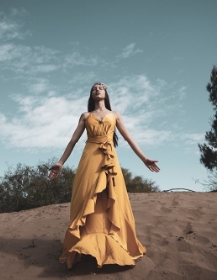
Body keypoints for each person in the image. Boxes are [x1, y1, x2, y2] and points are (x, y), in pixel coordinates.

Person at [49, 82, 160, 269]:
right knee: (87, 196)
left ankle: (114, 241)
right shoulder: (86, 116)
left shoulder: (115, 115)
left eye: (101, 87)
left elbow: (128, 138)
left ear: (106, 93)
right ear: (91, 95)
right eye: (94, 88)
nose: (97, 89)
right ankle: (84, 244)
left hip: (109, 159)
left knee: (111, 195)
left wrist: (144, 158)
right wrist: (60, 162)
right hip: (90, 158)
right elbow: (73, 140)